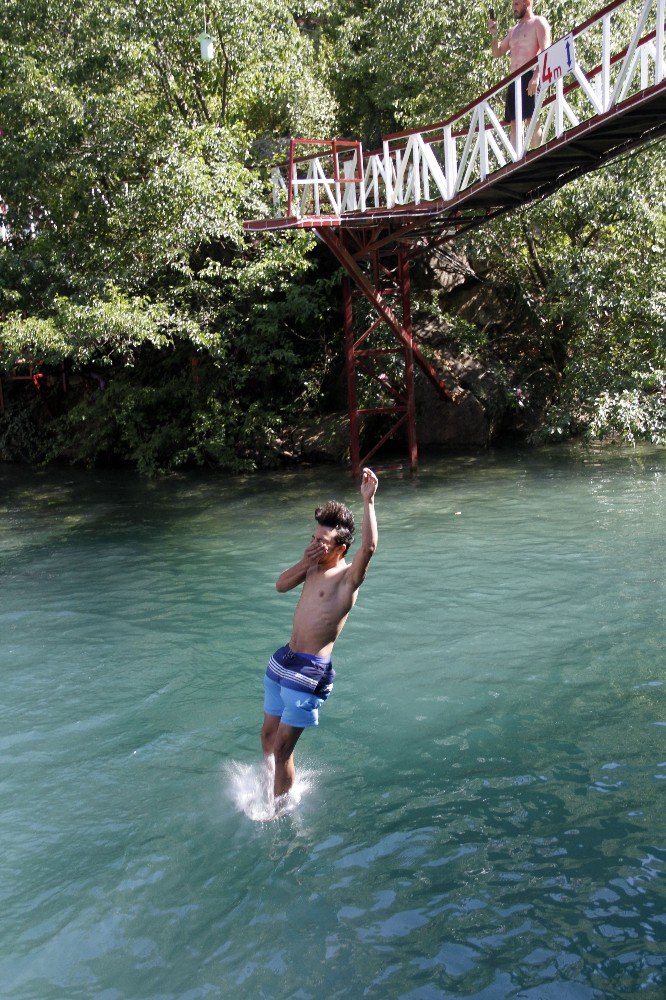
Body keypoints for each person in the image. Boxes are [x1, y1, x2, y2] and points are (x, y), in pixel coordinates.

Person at [260, 467, 379, 807]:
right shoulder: (311, 565)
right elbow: (280, 585)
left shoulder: (346, 581)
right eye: (312, 538)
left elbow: (368, 548)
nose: (313, 545)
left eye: (320, 542)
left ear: (340, 548)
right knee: (268, 738)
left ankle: (279, 812)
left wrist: (368, 501)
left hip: (310, 670)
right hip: (284, 659)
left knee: (283, 748)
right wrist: (304, 559)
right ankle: (272, 788)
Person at [488, 0, 551, 152]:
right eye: (513, 5)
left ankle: (539, 153)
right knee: (515, 123)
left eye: (516, 4)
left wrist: (536, 76)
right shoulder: (513, 31)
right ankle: (516, 160)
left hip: (530, 75)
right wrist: (494, 34)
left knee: (531, 119)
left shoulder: (538, 22)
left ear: (526, 3)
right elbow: (497, 52)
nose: (513, 8)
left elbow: (546, 50)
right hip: (514, 79)